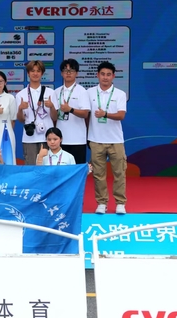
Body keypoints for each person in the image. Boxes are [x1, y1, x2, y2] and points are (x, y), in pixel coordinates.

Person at [88, 61, 128, 215]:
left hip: (116, 140)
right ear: (97, 75)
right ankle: (101, 203)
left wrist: (105, 114)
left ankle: (120, 203)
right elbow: (86, 115)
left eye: (108, 74)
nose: (105, 77)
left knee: (119, 173)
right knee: (98, 174)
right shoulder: (89, 93)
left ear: (113, 76)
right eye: (103, 74)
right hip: (96, 140)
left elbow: (121, 115)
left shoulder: (120, 94)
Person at [15, 61, 58, 165]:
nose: (35, 73)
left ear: (42, 73)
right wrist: (20, 109)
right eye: (32, 71)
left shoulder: (51, 92)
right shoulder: (21, 94)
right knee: (31, 168)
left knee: (47, 167)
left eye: (38, 71)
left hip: (48, 137)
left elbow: (55, 117)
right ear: (28, 73)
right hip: (29, 138)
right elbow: (21, 120)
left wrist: (52, 106)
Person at [54, 59, 90, 164]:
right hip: (60, 139)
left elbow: (85, 114)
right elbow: (54, 116)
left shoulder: (82, 91)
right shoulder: (56, 92)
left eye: (71, 70)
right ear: (61, 73)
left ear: (77, 73)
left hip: (77, 139)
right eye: (65, 70)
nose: (68, 73)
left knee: (76, 169)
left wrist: (70, 109)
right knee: (61, 169)